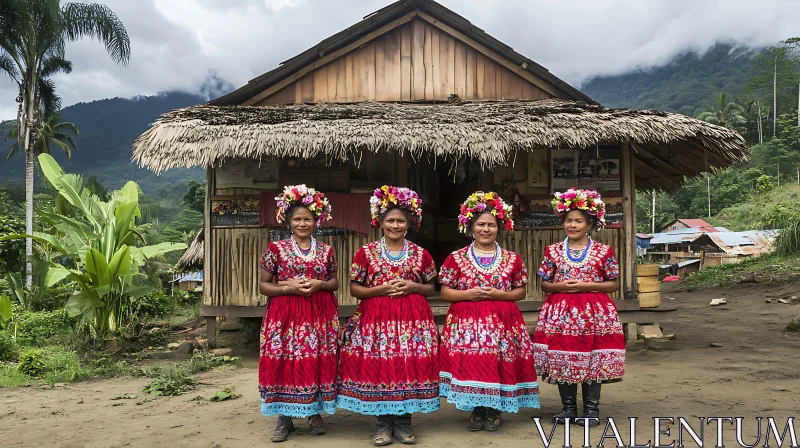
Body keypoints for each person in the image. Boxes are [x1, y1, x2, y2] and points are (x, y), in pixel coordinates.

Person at [337, 185, 439, 446]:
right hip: (376, 319)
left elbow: (431, 287)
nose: (396, 225)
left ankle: (404, 423)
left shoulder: (421, 254)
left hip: (412, 319)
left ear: (410, 223)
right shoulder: (365, 253)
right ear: (380, 222)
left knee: (408, 366)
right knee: (382, 366)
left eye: (401, 220)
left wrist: (413, 287)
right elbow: (354, 288)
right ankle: (382, 424)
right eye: (390, 220)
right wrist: (379, 289)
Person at [438, 191, 540, 432]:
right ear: (470, 227)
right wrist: (469, 295)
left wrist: (498, 295)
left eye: (491, 225)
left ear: (499, 227)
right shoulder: (455, 258)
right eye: (480, 224)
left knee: (498, 361)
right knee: (474, 361)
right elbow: (445, 292)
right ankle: (477, 409)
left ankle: (494, 410)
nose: (486, 229)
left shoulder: (512, 259)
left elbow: (520, 292)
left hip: (503, 321)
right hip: (467, 322)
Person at [533, 188, 625, 428]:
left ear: (590, 223)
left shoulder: (603, 252)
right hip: (560, 313)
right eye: (569, 220)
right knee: (564, 358)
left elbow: (614, 283)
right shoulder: (552, 251)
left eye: (579, 221)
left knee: (593, 359)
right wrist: (560, 286)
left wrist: (588, 285)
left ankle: (592, 410)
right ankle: (568, 409)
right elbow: (544, 283)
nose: (573, 225)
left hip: (595, 313)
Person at [258, 185, 339, 443]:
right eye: (297, 218)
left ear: (317, 220)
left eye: (308, 218)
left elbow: (335, 282)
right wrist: (288, 286)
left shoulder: (326, 251)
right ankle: (284, 417)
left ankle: (314, 413)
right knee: (284, 360)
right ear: (288, 220)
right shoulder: (276, 249)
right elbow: (263, 286)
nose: (302, 223)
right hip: (285, 314)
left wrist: (320, 284)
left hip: (318, 313)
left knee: (315, 360)